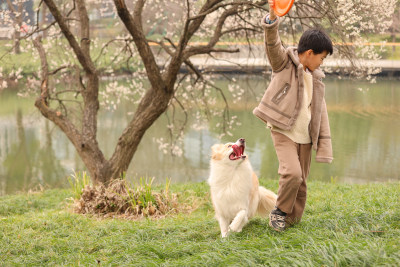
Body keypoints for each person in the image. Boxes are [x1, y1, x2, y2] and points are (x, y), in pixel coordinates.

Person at [253, 0, 334, 231]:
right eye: (322, 57)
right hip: (284, 130)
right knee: (292, 173)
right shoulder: (284, 63)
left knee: (302, 183)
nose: (322, 62)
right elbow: (272, 45)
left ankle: (291, 219)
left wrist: (324, 143)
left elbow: (321, 112)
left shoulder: (317, 78)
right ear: (309, 53)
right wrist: (271, 21)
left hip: (305, 136)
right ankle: (278, 211)